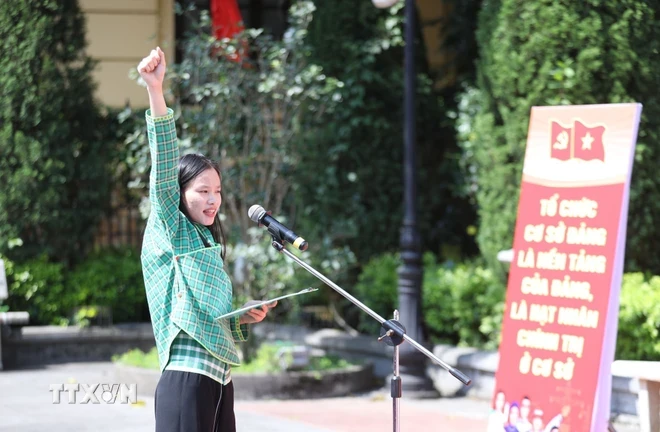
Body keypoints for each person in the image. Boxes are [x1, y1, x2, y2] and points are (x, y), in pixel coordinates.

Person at [137, 47, 277, 432]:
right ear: (179, 193)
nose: (213, 199)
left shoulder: (203, 242)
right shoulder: (171, 226)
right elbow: (164, 165)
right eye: (202, 190)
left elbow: (209, 321)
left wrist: (243, 316)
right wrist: (155, 88)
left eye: (217, 190)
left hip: (219, 380)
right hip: (186, 378)